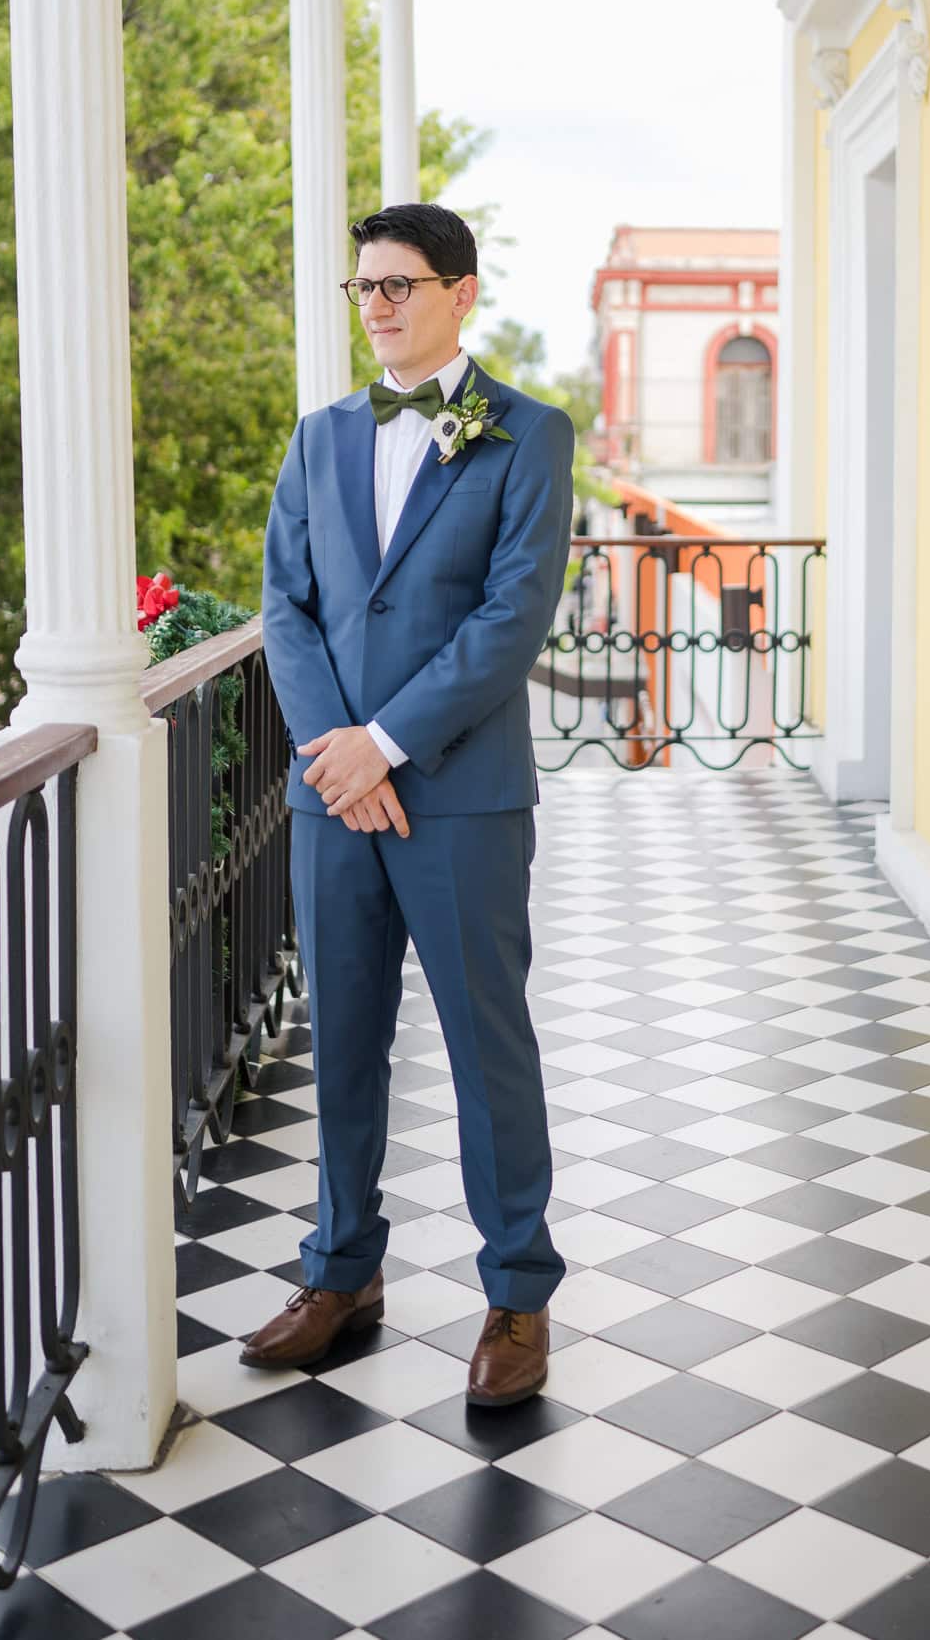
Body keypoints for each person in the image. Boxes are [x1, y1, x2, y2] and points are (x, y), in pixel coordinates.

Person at [242, 202, 573, 1405]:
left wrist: (383, 745)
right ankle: (340, 1270)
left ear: (462, 293)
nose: (378, 303)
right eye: (364, 286)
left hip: (461, 797)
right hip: (336, 799)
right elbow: (288, 605)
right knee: (342, 1046)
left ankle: (518, 1296)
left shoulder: (526, 434)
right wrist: (340, 759)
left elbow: (511, 618)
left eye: (401, 283)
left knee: (490, 1048)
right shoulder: (318, 435)